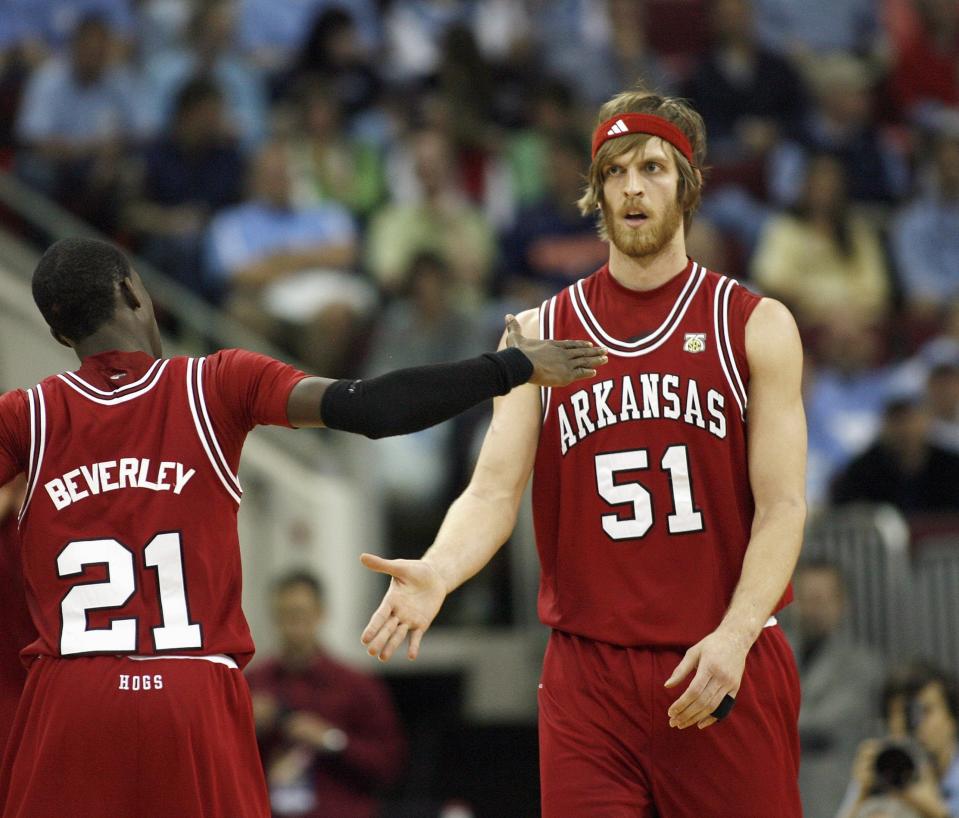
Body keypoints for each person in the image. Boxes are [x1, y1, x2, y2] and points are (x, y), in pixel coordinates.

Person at [0, 236, 606, 818]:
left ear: (57, 333)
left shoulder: (26, 416)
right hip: (190, 688)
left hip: (70, 697)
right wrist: (508, 368)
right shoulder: (214, 383)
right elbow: (371, 406)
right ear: (134, 293)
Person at [361, 87, 807, 817]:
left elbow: (784, 505)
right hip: (588, 672)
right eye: (615, 172)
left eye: (654, 169)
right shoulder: (539, 332)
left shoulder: (752, 325)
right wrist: (438, 570)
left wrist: (733, 635)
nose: (633, 188)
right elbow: (492, 491)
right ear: (595, 191)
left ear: (686, 186)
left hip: (721, 655)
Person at [247, 571, 405, 818]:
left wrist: (332, 740)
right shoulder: (252, 683)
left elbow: (389, 765)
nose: (291, 626)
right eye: (283, 616)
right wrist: (243, 727)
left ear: (320, 614)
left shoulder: (357, 686)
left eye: (299, 614)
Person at [787, 560, 883, 818]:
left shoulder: (864, 666)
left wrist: (769, 721)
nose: (813, 609)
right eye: (806, 598)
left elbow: (826, 723)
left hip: (832, 795)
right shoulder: (778, 654)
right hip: (780, 787)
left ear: (842, 602)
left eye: (822, 599)